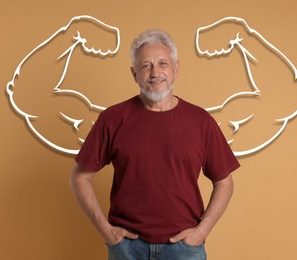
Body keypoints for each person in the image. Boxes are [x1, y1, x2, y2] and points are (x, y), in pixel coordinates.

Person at [70, 29, 240, 260]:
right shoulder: (112, 119)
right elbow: (80, 177)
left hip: (185, 250)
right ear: (134, 73)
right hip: (127, 249)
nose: (155, 73)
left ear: (176, 69)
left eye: (162, 64)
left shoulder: (201, 122)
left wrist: (201, 232)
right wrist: (107, 232)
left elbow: (224, 182)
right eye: (145, 66)